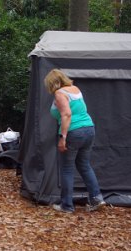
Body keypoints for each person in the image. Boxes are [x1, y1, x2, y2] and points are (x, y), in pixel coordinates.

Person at [44, 69, 106, 213]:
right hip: (89, 129)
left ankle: (67, 206)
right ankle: (97, 198)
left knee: (67, 169)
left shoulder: (60, 94)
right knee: (84, 165)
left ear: (54, 83)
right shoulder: (75, 89)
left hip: (73, 132)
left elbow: (67, 114)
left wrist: (63, 137)